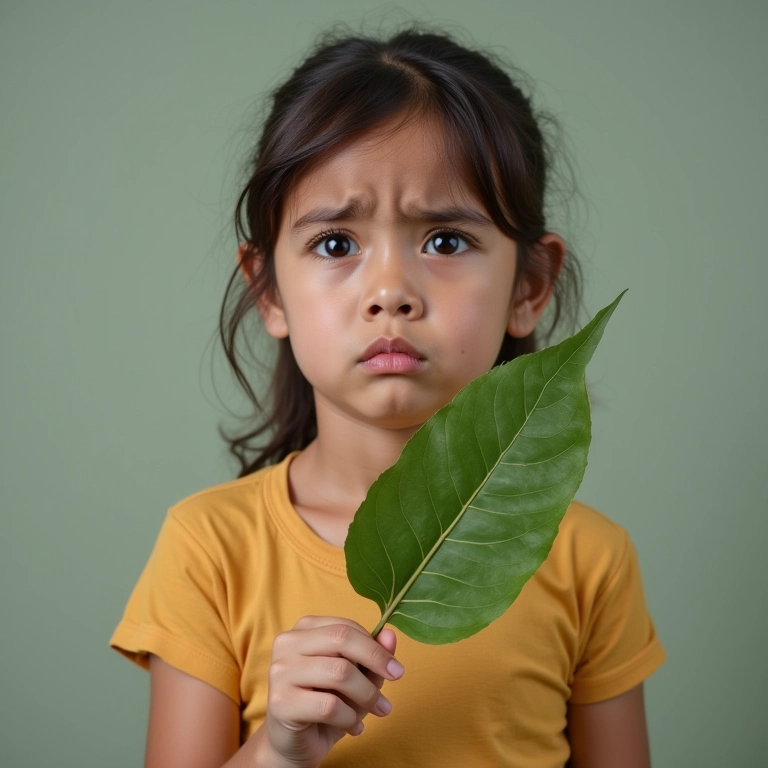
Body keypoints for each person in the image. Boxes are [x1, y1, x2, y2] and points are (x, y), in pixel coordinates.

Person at [109, 23, 666, 768]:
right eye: (337, 243)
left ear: (529, 286)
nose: (390, 293)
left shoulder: (590, 560)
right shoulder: (209, 549)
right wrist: (277, 749)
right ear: (268, 289)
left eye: (445, 240)